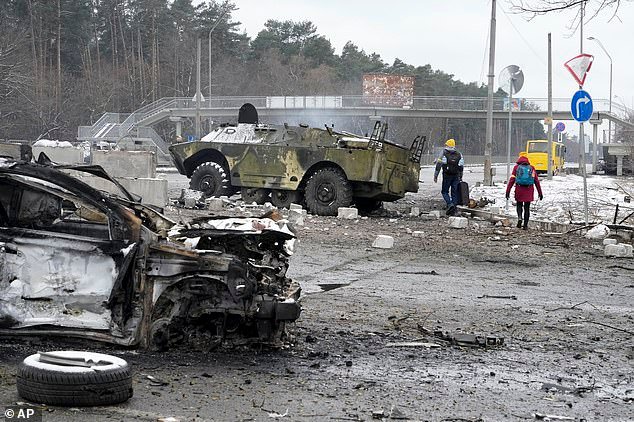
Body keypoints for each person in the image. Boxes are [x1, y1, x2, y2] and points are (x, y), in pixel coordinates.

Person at [505, 153, 543, 230]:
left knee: (519, 205)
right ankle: (525, 225)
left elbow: (512, 180)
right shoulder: (532, 168)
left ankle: (519, 218)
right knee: (527, 207)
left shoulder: (516, 168)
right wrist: (540, 193)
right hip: (529, 190)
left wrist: (507, 191)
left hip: (519, 189)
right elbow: (536, 181)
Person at [434, 138, 464, 215]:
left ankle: (450, 204)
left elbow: (438, 165)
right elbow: (461, 166)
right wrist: (460, 176)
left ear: (447, 145)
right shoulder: (459, 154)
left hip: (447, 175)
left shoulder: (444, 152)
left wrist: (435, 176)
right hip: (456, 175)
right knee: (454, 192)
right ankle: (454, 209)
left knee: (444, 191)